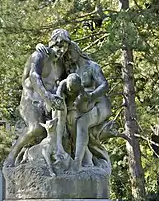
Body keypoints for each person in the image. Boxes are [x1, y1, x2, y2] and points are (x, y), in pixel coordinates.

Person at [37, 29, 111, 170]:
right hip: (82, 106)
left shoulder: (92, 67)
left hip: (99, 104)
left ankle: (77, 163)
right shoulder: (72, 71)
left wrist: (91, 96)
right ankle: (85, 160)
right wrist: (39, 46)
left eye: (70, 53)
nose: (68, 57)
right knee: (71, 122)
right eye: (67, 55)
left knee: (82, 123)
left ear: (77, 50)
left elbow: (104, 85)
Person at [5, 45, 65, 167]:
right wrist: (47, 97)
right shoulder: (39, 56)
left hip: (49, 103)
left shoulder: (60, 64)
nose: (62, 50)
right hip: (31, 100)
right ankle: (11, 156)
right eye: (59, 45)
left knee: (62, 128)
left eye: (65, 46)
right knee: (35, 128)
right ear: (52, 43)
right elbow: (34, 76)